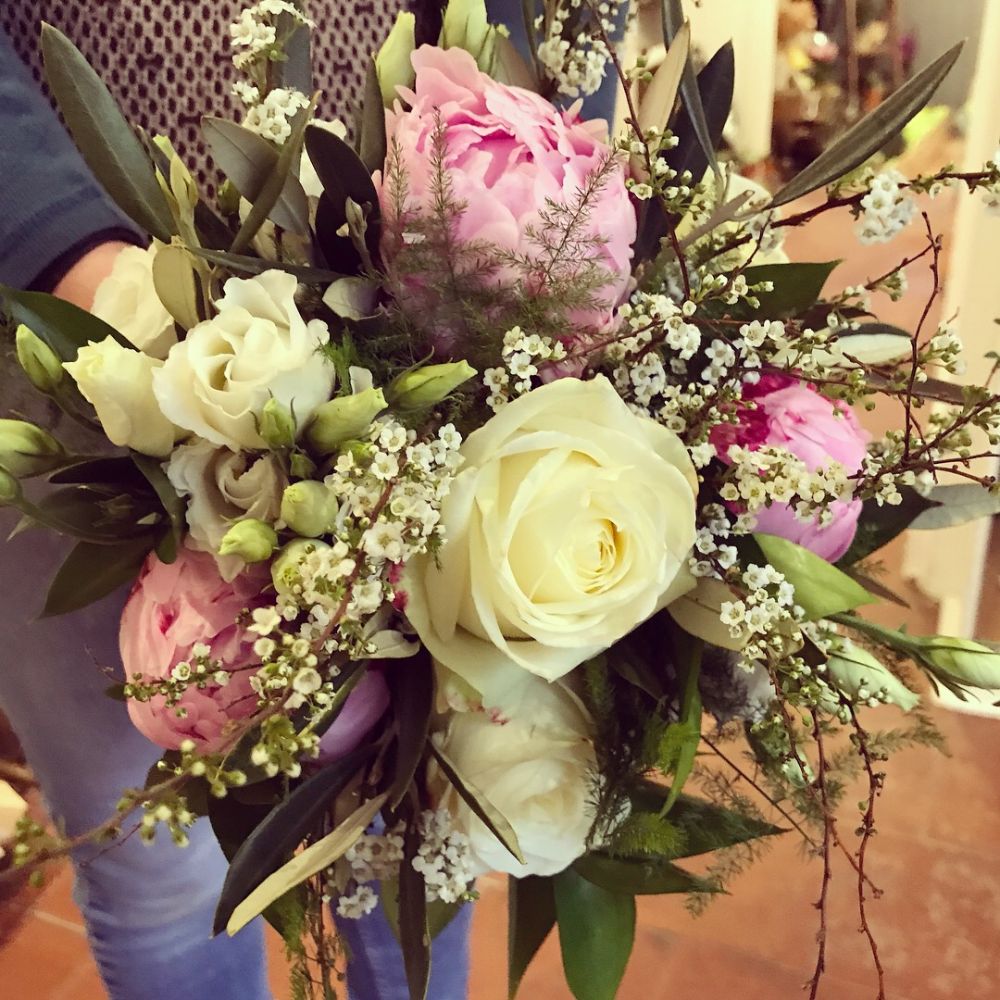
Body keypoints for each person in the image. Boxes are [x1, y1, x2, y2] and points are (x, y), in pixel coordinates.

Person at [0, 2, 624, 997]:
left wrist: (555, 194)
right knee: (158, 861)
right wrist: (76, 261)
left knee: (409, 814)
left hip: (431, 304)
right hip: (73, 344)